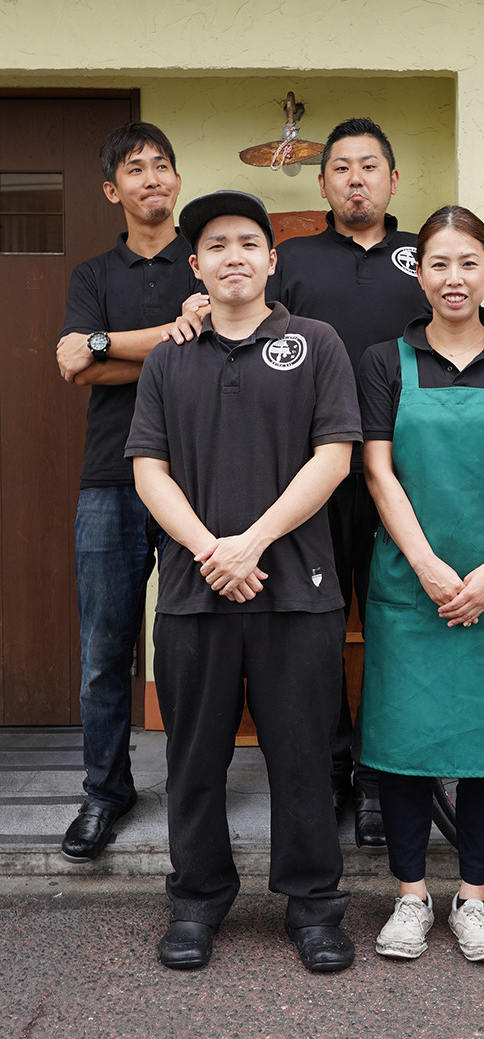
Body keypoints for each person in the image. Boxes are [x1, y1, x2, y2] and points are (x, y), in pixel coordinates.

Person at [125, 190, 361, 974]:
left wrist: (250, 543)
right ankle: (196, 901)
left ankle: (314, 906)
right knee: (194, 761)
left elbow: (335, 457)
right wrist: (209, 552)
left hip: (298, 591)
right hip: (194, 595)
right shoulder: (168, 358)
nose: (234, 256)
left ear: (271, 260)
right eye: (218, 245)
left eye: (248, 243)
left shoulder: (316, 343)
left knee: (304, 758)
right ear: (195, 266)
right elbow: (148, 470)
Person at [357, 206, 484, 962]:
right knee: (402, 741)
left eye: (468, 262)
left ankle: (474, 899)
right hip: (411, 584)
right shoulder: (384, 363)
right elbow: (377, 471)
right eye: (438, 263)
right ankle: (410, 896)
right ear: (419, 273)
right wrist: (429, 566)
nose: (453, 278)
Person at [269, 117, 427, 849]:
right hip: (314, 472)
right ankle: (332, 768)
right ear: (323, 181)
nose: (355, 179)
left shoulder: (426, 256)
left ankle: (381, 776)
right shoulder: (293, 260)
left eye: (369, 166)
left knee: (395, 623)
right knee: (318, 626)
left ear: (392, 179)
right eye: (341, 168)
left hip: (407, 475)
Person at [56, 122, 206, 863]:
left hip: (192, 479)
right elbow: (71, 366)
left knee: (186, 648)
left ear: (177, 179)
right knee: (104, 650)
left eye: (162, 166)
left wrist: (104, 346)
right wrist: (170, 335)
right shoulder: (93, 275)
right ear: (113, 190)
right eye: (136, 169)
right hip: (109, 480)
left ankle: (192, 787)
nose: (153, 179)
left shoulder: (203, 261)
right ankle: (105, 792)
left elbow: (210, 349)